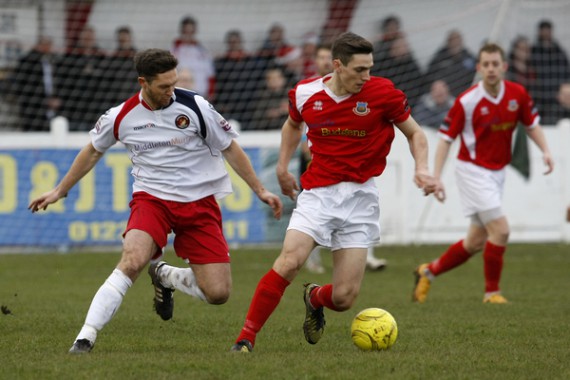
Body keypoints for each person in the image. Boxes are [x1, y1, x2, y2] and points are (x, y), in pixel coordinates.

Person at [28, 48, 283, 354]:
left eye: (174, 83)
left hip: (199, 204)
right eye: (164, 86)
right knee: (133, 260)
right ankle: (85, 338)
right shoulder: (120, 116)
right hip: (152, 201)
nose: (171, 91)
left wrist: (260, 190)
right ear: (143, 82)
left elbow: (230, 148)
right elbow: (93, 150)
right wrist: (60, 190)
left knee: (218, 293)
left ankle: (164, 275)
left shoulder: (196, 106)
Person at [230, 32, 436, 352]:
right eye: (359, 70)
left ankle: (314, 297)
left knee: (343, 298)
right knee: (289, 261)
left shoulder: (383, 93)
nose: (366, 76)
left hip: (360, 198)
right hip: (318, 193)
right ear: (337, 66)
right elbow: (292, 125)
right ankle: (245, 338)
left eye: (370, 68)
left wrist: (422, 168)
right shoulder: (305, 93)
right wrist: (283, 167)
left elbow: (416, 134)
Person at [413, 43, 554, 305]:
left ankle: (428, 271)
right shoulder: (467, 101)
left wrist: (545, 150)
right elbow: (445, 139)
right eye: (486, 64)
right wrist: (437, 176)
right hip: (472, 172)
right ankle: (492, 293)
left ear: (504, 67)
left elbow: (532, 125)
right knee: (501, 231)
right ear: (479, 68)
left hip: (497, 173)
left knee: (475, 242)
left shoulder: (518, 94)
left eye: (495, 64)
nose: (491, 69)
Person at [302, 44, 386, 273]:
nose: (322, 62)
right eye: (318, 57)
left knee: (359, 213)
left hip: (353, 174)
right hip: (317, 166)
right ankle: (312, 258)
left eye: (324, 57)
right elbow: (296, 125)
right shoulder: (307, 91)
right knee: (315, 219)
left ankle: (367, 255)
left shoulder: (361, 90)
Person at [56, 25, 106, 131]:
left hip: (94, 106)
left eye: (90, 38)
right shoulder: (70, 56)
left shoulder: (101, 57)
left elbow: (106, 79)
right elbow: (62, 78)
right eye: (85, 38)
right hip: (74, 106)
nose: (88, 40)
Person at [6, 36, 61, 131]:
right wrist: (45, 101)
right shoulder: (28, 62)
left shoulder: (51, 61)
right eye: (44, 45)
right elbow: (25, 88)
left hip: (51, 110)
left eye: (49, 45)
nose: (48, 48)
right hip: (33, 110)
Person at [530, 20, 570, 113]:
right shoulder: (533, 51)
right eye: (543, 31)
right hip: (538, 93)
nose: (546, 34)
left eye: (547, 31)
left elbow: (566, 70)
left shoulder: (558, 51)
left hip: (555, 93)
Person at [171, 15, 215, 98]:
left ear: (195, 31)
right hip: (180, 93)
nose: (188, 34)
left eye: (190, 31)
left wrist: (211, 93)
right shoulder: (175, 50)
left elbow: (210, 74)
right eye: (186, 31)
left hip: (200, 93)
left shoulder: (202, 51)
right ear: (182, 31)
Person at [425, 29, 477, 97]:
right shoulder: (440, 57)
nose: (455, 44)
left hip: (465, 96)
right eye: (453, 41)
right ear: (448, 42)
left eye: (458, 41)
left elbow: (476, 73)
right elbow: (429, 77)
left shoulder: (468, 57)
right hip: (445, 98)